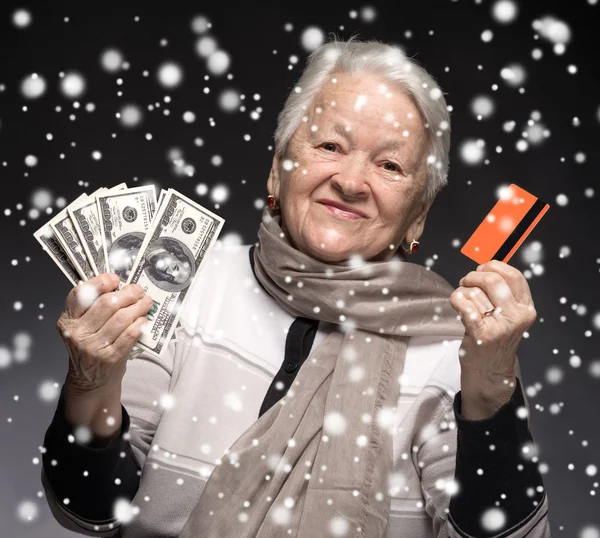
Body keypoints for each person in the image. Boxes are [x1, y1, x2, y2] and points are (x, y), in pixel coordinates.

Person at [41, 37, 551, 538]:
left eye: (390, 165)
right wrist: (92, 383)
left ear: (418, 217)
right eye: (330, 145)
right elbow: (93, 509)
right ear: (275, 173)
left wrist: (489, 396)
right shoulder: (184, 285)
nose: (351, 181)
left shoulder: (454, 344)